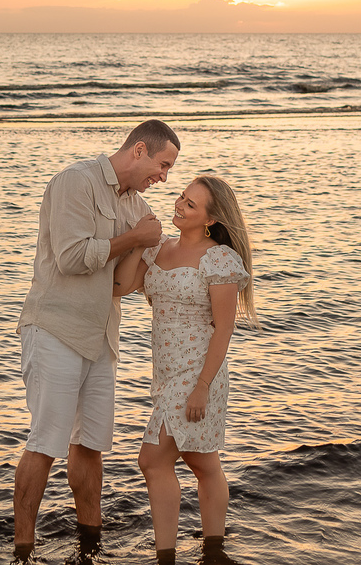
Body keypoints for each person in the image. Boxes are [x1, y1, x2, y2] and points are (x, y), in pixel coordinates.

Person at [12, 119, 181, 563]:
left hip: (101, 336)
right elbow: (71, 258)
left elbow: (129, 277)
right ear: (139, 150)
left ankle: (91, 544)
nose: (164, 177)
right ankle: (21, 551)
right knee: (46, 441)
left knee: (90, 445)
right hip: (55, 328)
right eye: (163, 165)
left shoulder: (137, 206)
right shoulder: (76, 181)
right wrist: (135, 238)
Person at [112, 175, 258, 565]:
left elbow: (224, 327)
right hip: (165, 371)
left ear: (210, 219)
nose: (179, 205)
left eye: (191, 205)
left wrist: (202, 387)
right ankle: (213, 549)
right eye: (181, 196)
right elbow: (121, 285)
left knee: (152, 460)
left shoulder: (219, 259)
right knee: (201, 460)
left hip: (198, 373)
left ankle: (166, 556)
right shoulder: (160, 248)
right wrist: (140, 241)